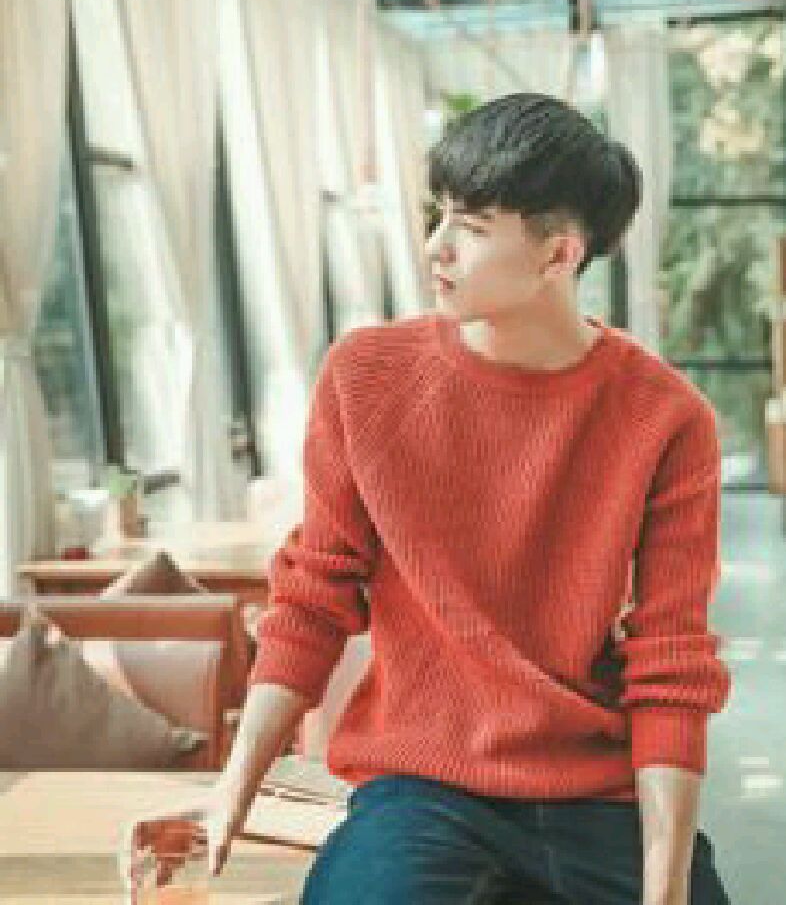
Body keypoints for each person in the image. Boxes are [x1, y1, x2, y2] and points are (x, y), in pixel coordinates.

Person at [143, 92, 733, 905]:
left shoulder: (665, 418)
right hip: (423, 787)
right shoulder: (366, 376)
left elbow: (671, 659)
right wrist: (230, 793)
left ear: (559, 255)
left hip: (598, 793)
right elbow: (313, 599)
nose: (435, 247)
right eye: (440, 213)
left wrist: (663, 894)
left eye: (473, 227)